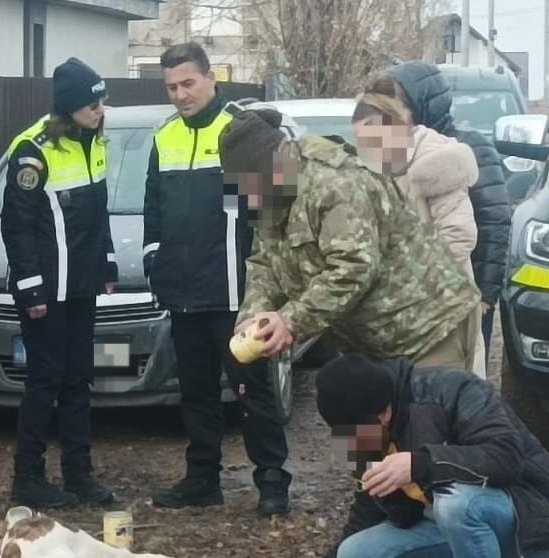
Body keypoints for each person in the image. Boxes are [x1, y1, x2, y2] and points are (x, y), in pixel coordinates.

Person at [276, 353, 549, 558]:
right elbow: (366, 509)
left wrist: (420, 464)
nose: (352, 441)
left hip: (534, 520)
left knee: (455, 501)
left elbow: (505, 457)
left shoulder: (454, 389)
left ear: (383, 413)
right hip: (459, 527)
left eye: (357, 430)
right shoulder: (360, 431)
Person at [142, 43, 291, 517]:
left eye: (188, 83)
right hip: (183, 290)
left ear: (210, 78)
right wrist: (153, 260)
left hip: (235, 291)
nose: (181, 94)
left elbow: (272, 207)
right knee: (197, 391)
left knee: (253, 389)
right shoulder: (164, 136)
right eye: (172, 87)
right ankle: (202, 479)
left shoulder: (240, 129)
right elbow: (153, 208)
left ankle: (272, 480)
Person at [218, 107, 480, 370]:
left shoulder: (335, 183)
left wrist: (290, 321)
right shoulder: (269, 195)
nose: (250, 196)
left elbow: (355, 266)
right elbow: (264, 263)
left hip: (429, 329)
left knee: (428, 410)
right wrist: (253, 317)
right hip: (374, 342)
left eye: (252, 184)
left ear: (276, 163)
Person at [0, 58, 117, 510]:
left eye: (102, 100)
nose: (101, 108)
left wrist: (106, 263)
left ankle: (78, 474)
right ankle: (27, 477)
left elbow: (97, 212)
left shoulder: (93, 141)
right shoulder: (33, 150)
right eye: (93, 101)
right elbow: (17, 225)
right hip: (47, 290)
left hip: (82, 285)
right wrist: (31, 288)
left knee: (77, 380)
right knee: (44, 381)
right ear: (70, 105)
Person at [351, 76, 485, 377]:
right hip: (393, 320)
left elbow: (458, 238)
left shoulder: (435, 163)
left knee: (440, 407)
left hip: (440, 316)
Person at [389, 61, 512, 371]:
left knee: (467, 371)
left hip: (466, 288)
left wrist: (486, 293)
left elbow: (495, 223)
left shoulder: (469, 149)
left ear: (420, 104)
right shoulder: (402, 152)